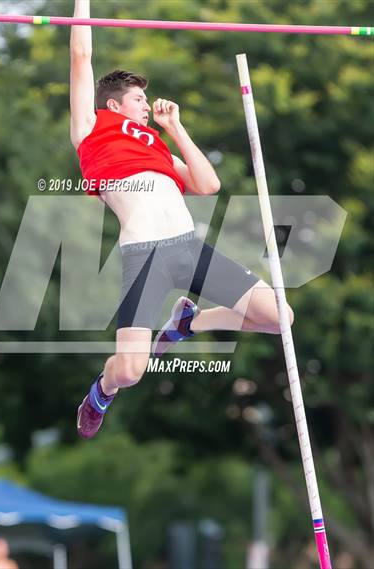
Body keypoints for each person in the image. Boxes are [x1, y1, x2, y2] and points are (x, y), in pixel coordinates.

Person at [70, 0, 294, 439]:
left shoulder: (156, 147)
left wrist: (176, 128)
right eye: (139, 99)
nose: (147, 105)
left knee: (280, 317)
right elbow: (81, 55)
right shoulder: (91, 130)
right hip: (145, 255)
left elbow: (208, 185)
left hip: (188, 247)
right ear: (113, 104)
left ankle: (189, 323)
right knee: (131, 371)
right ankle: (100, 392)